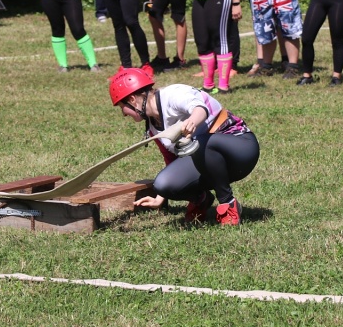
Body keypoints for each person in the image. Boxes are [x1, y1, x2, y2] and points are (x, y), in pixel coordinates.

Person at [109, 67, 259, 225]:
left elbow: (200, 108)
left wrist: (192, 121)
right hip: (208, 160)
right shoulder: (152, 126)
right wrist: (160, 196)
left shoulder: (173, 94)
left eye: (122, 107)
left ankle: (228, 204)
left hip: (241, 149)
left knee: (201, 142)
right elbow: (171, 160)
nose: (123, 114)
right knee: (162, 183)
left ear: (132, 99)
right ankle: (201, 199)